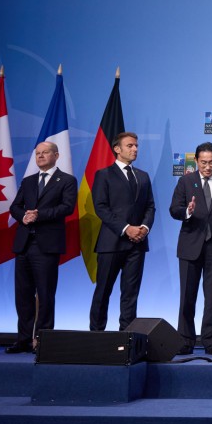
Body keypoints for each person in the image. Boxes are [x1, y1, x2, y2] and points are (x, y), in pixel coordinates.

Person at [5, 141, 77, 354]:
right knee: (23, 296)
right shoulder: (28, 181)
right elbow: (15, 206)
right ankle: (23, 340)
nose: (41, 156)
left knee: (45, 295)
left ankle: (43, 341)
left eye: (45, 152)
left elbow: (67, 207)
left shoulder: (67, 180)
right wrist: (24, 216)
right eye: (38, 153)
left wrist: (39, 215)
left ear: (56, 155)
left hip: (46, 246)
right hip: (24, 245)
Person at [169, 142, 212, 356]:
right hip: (190, 245)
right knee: (187, 296)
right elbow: (174, 209)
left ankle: (210, 341)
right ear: (196, 161)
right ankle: (185, 341)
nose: (208, 167)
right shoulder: (185, 181)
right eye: (203, 162)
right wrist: (187, 211)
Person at [89, 132, 156, 331]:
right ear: (117, 149)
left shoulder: (143, 176)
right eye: (130, 146)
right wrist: (126, 229)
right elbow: (101, 207)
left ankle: (127, 336)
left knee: (130, 293)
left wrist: (144, 228)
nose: (135, 149)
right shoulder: (104, 175)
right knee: (103, 290)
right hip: (111, 243)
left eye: (136, 146)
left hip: (137, 244)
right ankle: (96, 335)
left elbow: (150, 206)